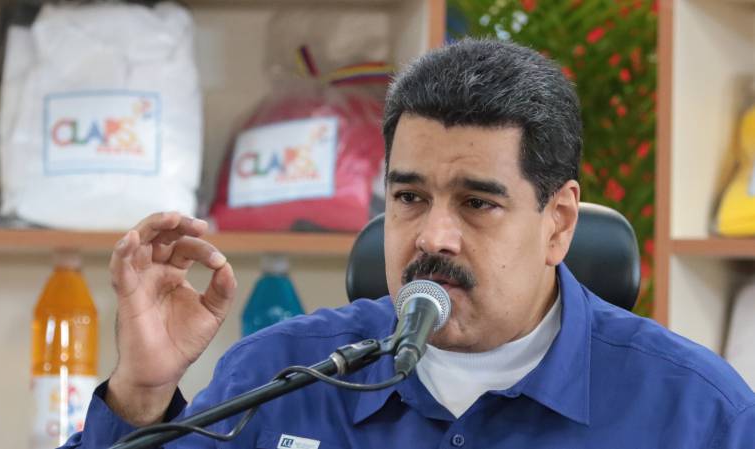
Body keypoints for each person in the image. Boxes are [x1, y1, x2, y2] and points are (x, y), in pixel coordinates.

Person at [61, 38, 755, 449]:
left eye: (478, 203)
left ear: (559, 222)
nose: (432, 235)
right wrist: (142, 390)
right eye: (409, 197)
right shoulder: (277, 377)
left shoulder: (696, 413)